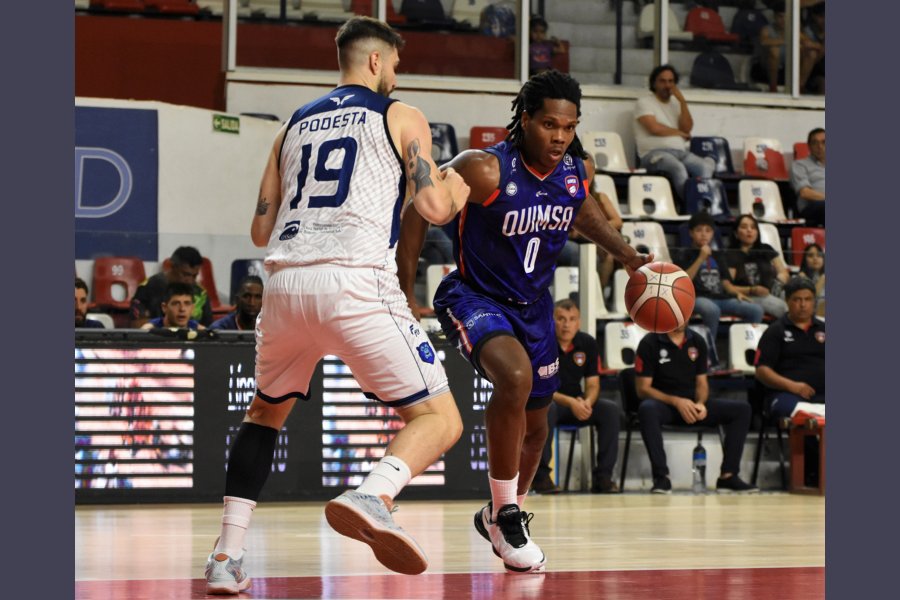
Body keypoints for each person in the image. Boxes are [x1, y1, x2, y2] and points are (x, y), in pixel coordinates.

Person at [204, 16, 470, 595]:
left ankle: (226, 556)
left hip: (284, 285)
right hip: (354, 281)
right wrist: (454, 191)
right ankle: (375, 493)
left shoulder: (291, 126)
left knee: (264, 415)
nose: (396, 74)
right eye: (395, 64)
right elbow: (434, 209)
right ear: (376, 60)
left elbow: (259, 229)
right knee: (441, 419)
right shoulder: (400, 114)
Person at [397, 69, 651, 574]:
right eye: (549, 125)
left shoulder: (575, 171)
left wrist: (626, 255)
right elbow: (419, 205)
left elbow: (582, 211)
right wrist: (405, 287)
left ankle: (499, 514)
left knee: (538, 429)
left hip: (532, 307)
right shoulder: (485, 169)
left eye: (569, 127)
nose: (559, 137)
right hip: (475, 296)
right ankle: (508, 515)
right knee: (515, 378)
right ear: (525, 119)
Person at [635, 323, 758, 494]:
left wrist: (700, 403)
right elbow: (642, 389)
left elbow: (702, 383)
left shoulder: (697, 341)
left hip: (692, 404)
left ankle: (728, 476)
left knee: (742, 410)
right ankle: (661, 477)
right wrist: (677, 401)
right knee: (647, 409)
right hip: (665, 404)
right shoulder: (649, 342)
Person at [532, 299, 621, 495]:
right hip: (550, 401)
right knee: (547, 409)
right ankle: (541, 478)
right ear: (552, 320)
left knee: (609, 410)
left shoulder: (587, 343)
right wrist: (571, 402)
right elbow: (541, 388)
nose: (566, 324)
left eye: (572, 319)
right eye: (561, 319)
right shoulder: (541, 343)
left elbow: (593, 384)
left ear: (578, 322)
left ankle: (603, 478)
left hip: (578, 402)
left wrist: (587, 402)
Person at [675, 212, 764, 367]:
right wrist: (701, 258)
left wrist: (737, 293)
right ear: (691, 233)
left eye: (708, 230)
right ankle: (708, 357)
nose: (704, 234)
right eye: (699, 230)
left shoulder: (718, 255)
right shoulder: (683, 253)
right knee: (712, 310)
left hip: (720, 298)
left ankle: (741, 356)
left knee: (756, 310)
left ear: (713, 234)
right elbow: (683, 281)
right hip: (696, 297)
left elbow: (725, 283)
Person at [633, 64, 715, 202]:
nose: (667, 85)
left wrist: (682, 102)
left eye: (671, 81)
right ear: (654, 83)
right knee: (678, 168)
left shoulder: (676, 104)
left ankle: (702, 204)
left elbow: (687, 128)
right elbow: (654, 128)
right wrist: (679, 133)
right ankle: (689, 205)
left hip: (681, 153)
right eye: (662, 81)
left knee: (704, 167)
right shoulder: (644, 102)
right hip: (654, 154)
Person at [754, 276, 825, 420]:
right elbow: (761, 371)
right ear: (787, 301)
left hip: (823, 394)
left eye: (808, 299)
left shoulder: (824, 328)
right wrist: (793, 386)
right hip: (788, 394)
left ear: (814, 302)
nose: (803, 305)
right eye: (797, 299)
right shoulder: (775, 331)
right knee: (793, 410)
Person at [129, 246, 213, 328]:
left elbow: (207, 328)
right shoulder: (148, 287)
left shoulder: (201, 293)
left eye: (194, 276)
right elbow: (137, 325)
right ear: (172, 266)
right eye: (185, 274)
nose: (190, 281)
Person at [727, 214, 789, 319]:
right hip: (749, 295)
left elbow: (783, 272)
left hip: (772, 291)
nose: (749, 230)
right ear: (736, 233)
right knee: (782, 308)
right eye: (744, 227)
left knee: (796, 298)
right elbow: (728, 286)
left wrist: (779, 282)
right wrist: (752, 290)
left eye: (753, 227)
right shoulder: (731, 254)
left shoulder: (766, 248)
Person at [752, 1, 821, 93]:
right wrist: (790, 40)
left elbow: (817, 46)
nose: (783, 20)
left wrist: (804, 41)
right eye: (780, 16)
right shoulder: (767, 29)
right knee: (774, 50)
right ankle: (773, 88)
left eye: (786, 16)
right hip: (766, 69)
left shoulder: (799, 30)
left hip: (792, 70)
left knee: (811, 53)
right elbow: (764, 42)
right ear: (775, 17)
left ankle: (799, 87)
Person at [790, 127, 825, 227]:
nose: (820, 146)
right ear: (809, 146)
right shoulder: (800, 165)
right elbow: (805, 193)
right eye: (815, 143)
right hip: (812, 207)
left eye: (824, 142)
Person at [140, 282, 205, 330]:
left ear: (192, 308)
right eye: (176, 304)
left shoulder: (201, 331)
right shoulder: (148, 330)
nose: (182, 309)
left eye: (187, 303)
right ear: (164, 307)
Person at [798, 243, 825, 317]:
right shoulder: (801, 278)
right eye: (810, 256)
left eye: (819, 255)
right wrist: (823, 278)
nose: (815, 258)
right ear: (805, 260)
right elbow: (812, 296)